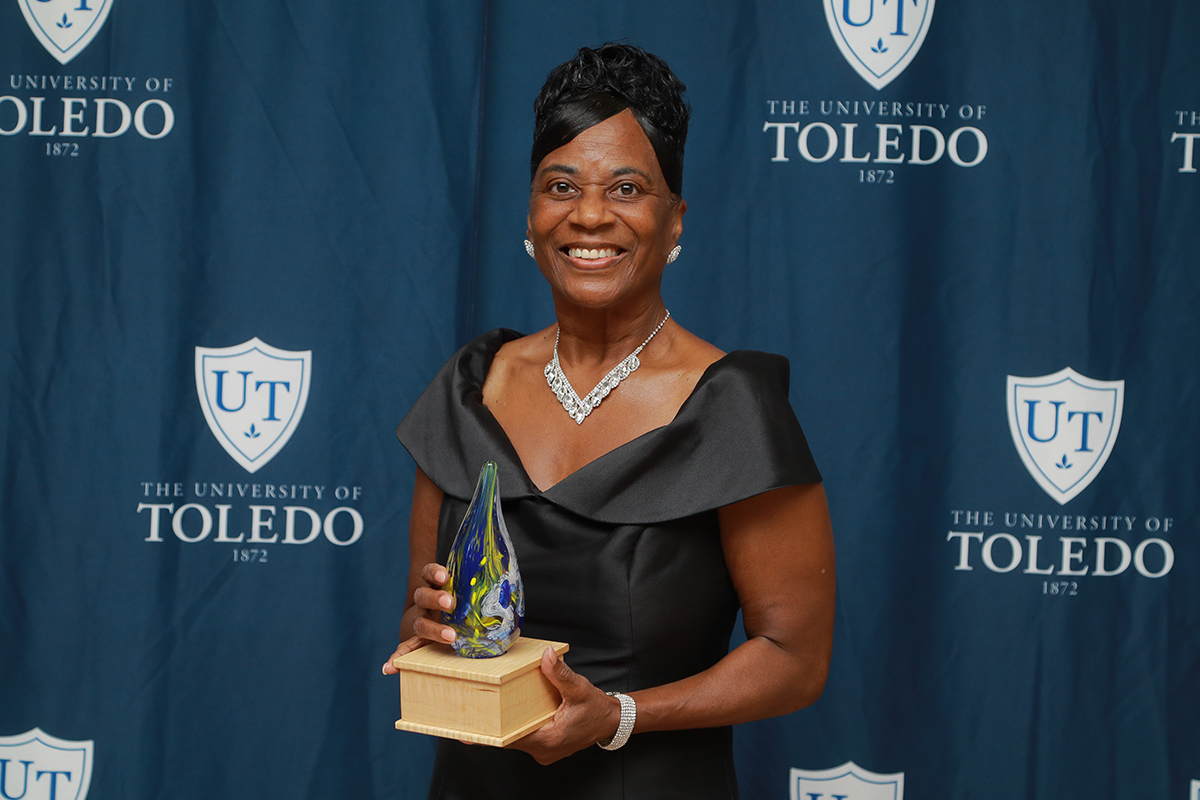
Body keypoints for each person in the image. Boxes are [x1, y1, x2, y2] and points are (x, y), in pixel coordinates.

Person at [382, 42, 835, 799]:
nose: (589, 214)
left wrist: (619, 715)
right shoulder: (467, 392)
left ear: (675, 221)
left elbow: (796, 657)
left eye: (627, 189)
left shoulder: (731, 410)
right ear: (530, 213)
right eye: (561, 185)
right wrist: (428, 629)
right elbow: (414, 626)